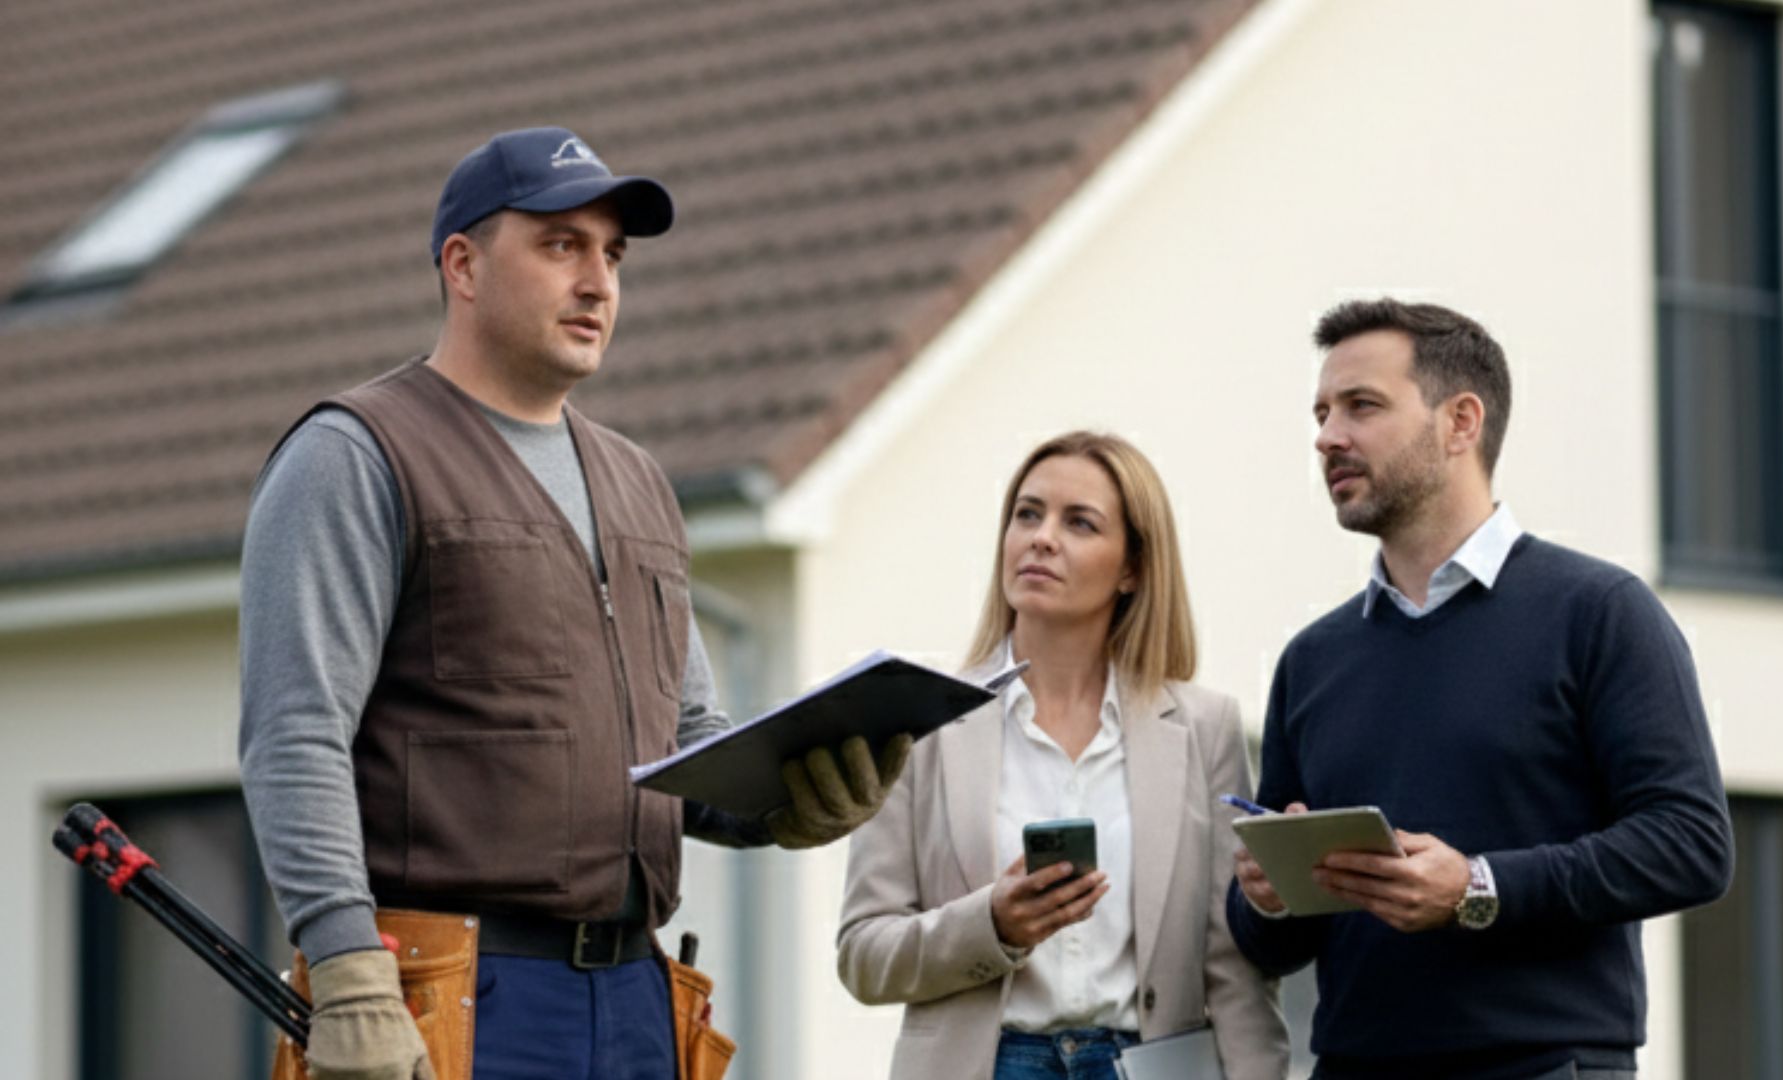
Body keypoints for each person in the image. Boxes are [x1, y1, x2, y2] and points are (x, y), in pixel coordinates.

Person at [238, 127, 908, 1080]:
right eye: (561, 246)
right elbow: (294, 732)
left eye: (613, 254)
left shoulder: (639, 483)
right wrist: (346, 970)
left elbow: (685, 745)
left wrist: (784, 806)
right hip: (452, 991)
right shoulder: (354, 456)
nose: (598, 282)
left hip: (639, 997)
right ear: (462, 266)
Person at [1226, 298, 1735, 1079]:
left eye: (1362, 406)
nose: (1328, 436)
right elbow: (1279, 945)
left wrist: (1478, 887)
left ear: (1461, 422)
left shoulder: (1600, 613)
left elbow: (1691, 844)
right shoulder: (1312, 660)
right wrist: (1266, 895)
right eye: (1323, 412)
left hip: (1544, 1064)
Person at [839, 432, 1289, 1080]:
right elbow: (863, 954)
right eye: (1028, 514)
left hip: (1150, 1063)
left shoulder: (1205, 728)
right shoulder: (920, 723)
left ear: (1133, 567)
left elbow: (1233, 969)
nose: (1042, 538)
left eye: (1079, 522)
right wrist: (990, 924)